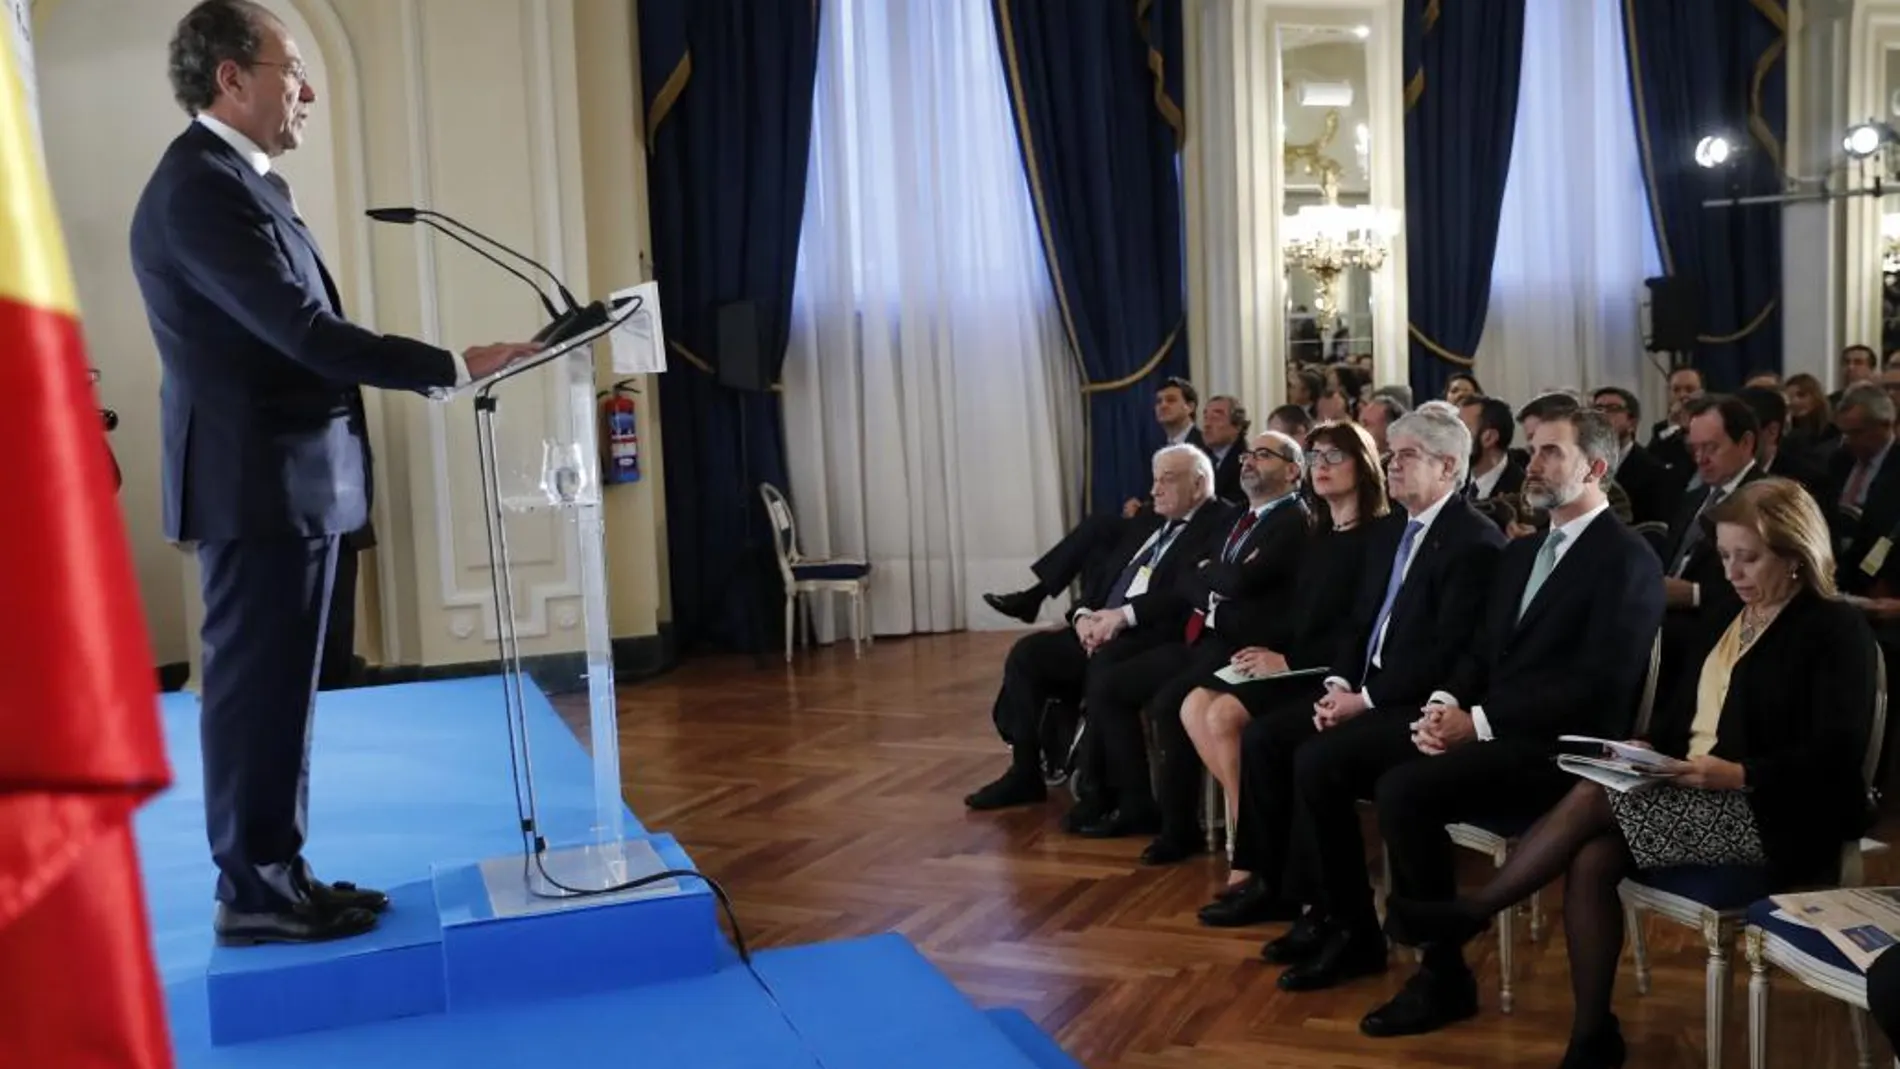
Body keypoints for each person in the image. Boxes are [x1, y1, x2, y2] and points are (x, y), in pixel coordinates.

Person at [130, 0, 541, 945]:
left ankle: (278, 871)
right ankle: (253, 891)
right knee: (252, 697)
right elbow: (303, 334)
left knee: (282, 695)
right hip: (255, 486)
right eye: (290, 67)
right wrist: (451, 363)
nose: (306, 89)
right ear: (231, 78)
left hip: (294, 483)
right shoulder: (199, 188)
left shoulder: (245, 183)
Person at [1385, 478, 1879, 1069]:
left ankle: (1474, 911)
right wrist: (1647, 747)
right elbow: (1684, 715)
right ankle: (1593, 1036)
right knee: (1592, 860)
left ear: (1797, 555)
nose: (1733, 572)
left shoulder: (1833, 628)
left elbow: (1837, 751)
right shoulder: (1730, 613)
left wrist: (1741, 773)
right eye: (1724, 557)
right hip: (1691, 792)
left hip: (1780, 815)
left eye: (1749, 558)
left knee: (1594, 798)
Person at [1273, 409, 1663, 1041]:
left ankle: (1443, 972)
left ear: (1595, 467)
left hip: (1565, 751)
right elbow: (1480, 652)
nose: (1531, 463)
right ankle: (1360, 930)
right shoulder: (1526, 550)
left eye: (1550, 453)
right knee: (1331, 759)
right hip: (1500, 729)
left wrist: (1476, 722)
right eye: (1531, 450)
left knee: (1405, 788)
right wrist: (1446, 708)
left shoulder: (1626, 558)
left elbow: (1596, 685)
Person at [1190, 420, 1390, 925]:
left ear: (1363, 466)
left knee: (1257, 734)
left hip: (1336, 675)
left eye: (1333, 458)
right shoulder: (1321, 533)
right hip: (1305, 665)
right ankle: (1266, 875)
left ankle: (1272, 879)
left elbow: (1359, 629)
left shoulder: (1380, 538)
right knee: (1205, 705)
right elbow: (1300, 616)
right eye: (1315, 458)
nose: (1320, 468)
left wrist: (1289, 662)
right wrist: (1271, 651)